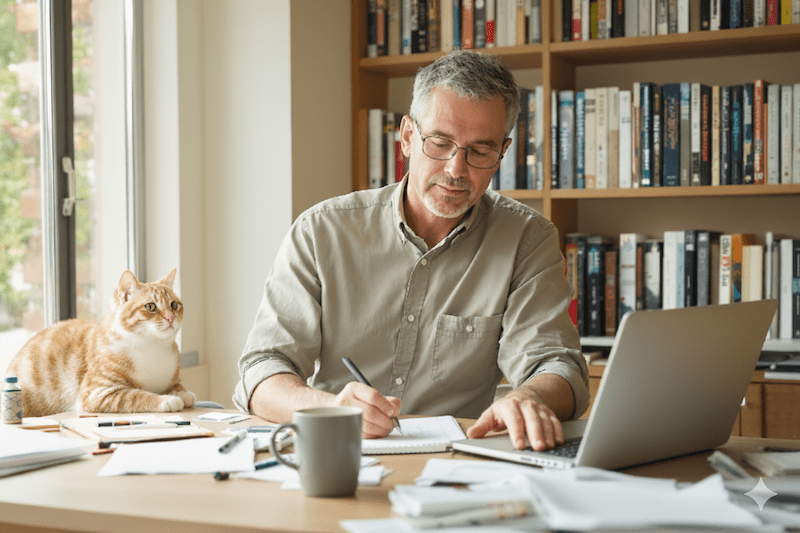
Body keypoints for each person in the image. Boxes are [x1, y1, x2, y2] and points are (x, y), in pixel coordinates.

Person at [233, 50, 589, 451]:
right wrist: (329, 407)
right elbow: (261, 372)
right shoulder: (322, 231)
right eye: (440, 143)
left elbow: (559, 365)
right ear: (406, 137)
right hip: (339, 455)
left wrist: (530, 397)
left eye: (480, 150)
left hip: (458, 465)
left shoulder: (527, 239)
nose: (457, 169)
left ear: (502, 152)